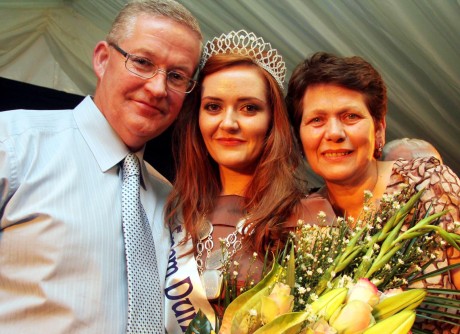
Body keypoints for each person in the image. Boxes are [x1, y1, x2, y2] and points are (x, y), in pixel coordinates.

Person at [0, 1, 202, 333]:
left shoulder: (173, 204)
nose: (157, 87)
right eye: (142, 62)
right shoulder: (14, 145)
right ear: (103, 59)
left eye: (177, 76)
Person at [164, 30, 334, 333]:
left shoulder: (310, 217)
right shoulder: (172, 210)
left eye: (249, 108)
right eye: (213, 107)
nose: (228, 123)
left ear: (273, 120)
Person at [286, 52, 460, 333]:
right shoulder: (301, 218)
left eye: (350, 116)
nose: (333, 132)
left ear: (379, 129)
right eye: (316, 120)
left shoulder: (428, 185)